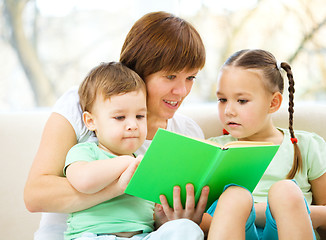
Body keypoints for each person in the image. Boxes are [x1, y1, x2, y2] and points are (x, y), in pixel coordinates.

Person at [24, 11, 209, 240]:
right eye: (170, 77)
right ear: (139, 71)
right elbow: (36, 196)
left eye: (191, 77)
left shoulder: (188, 133)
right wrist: (119, 185)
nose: (182, 91)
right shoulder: (86, 103)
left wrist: (180, 218)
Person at [200, 49, 326, 239]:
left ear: (273, 103)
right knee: (234, 196)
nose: (228, 111)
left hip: (289, 228)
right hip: (238, 230)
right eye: (222, 99)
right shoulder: (212, 150)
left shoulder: (306, 145)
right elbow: (202, 222)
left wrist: (285, 209)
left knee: (286, 191)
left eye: (242, 101)